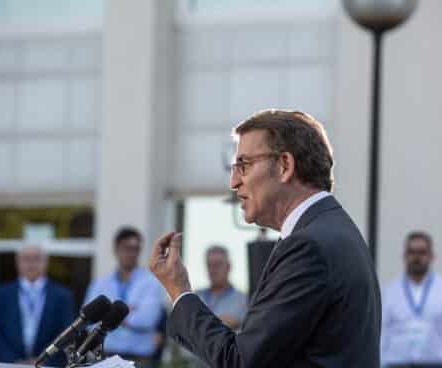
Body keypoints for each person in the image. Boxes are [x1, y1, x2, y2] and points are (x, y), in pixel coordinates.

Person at [149, 109, 382, 368]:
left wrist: (179, 291)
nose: (234, 181)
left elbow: (241, 361)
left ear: (284, 166)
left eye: (244, 165)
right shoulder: (332, 228)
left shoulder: (308, 247)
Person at [380, 231, 442, 368]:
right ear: (404, 256)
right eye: (411, 252)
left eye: (422, 252)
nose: (416, 257)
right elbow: (381, 333)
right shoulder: (389, 292)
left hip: (437, 364)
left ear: (431, 256)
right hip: (397, 364)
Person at [84, 226, 165, 367]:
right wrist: (130, 311)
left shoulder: (151, 282)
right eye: (126, 248)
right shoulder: (100, 283)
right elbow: (88, 321)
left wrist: (109, 315)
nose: (131, 253)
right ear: (116, 249)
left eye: (136, 249)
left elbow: (147, 320)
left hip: (140, 359)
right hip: (105, 357)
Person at [0, 246, 75, 366]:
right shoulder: (1, 294)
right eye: (26, 259)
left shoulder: (62, 296)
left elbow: (67, 333)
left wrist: (44, 361)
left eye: (36, 259)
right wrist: (14, 361)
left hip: (49, 365)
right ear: (17, 262)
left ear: (46, 262)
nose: (31, 264)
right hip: (9, 364)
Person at [195, 245, 247, 330]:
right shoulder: (196, 296)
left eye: (217, 265)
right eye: (209, 265)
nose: (213, 270)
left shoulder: (242, 300)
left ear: (228, 267)